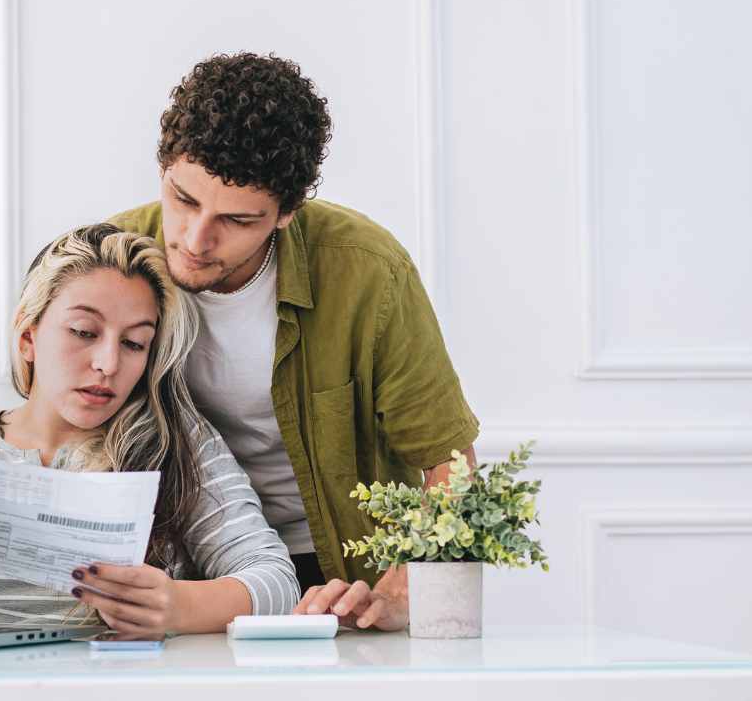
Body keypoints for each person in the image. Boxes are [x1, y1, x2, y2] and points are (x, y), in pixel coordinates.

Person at [109, 52, 479, 631]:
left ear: (286, 214)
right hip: (183, 574)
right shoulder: (112, 261)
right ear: (163, 167)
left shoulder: (367, 272)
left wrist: (407, 588)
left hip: (339, 578)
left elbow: (447, 461)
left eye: (237, 220)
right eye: (183, 199)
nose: (196, 239)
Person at [0, 223, 298, 639]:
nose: (108, 364)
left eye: (134, 344)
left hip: (122, 695)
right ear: (27, 337)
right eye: (84, 332)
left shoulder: (174, 445)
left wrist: (179, 607)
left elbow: (276, 581)